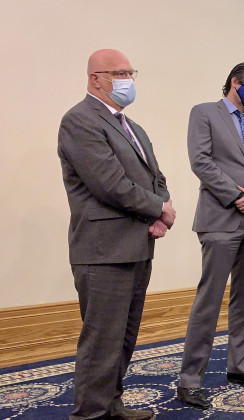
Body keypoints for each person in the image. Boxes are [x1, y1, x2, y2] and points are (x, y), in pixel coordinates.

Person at [58, 49, 176, 420]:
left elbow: (155, 176)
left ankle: (111, 405)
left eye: (131, 72)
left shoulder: (132, 126)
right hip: (103, 251)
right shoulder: (79, 120)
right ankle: (90, 414)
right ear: (96, 79)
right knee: (101, 342)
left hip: (138, 245)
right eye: (119, 73)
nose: (128, 80)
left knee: (123, 339)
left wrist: (163, 210)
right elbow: (109, 184)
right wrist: (158, 209)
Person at [177, 62, 244, 410]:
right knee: (209, 301)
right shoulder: (205, 113)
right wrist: (237, 196)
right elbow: (200, 161)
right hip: (220, 220)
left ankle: (239, 366)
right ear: (234, 83)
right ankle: (190, 380)